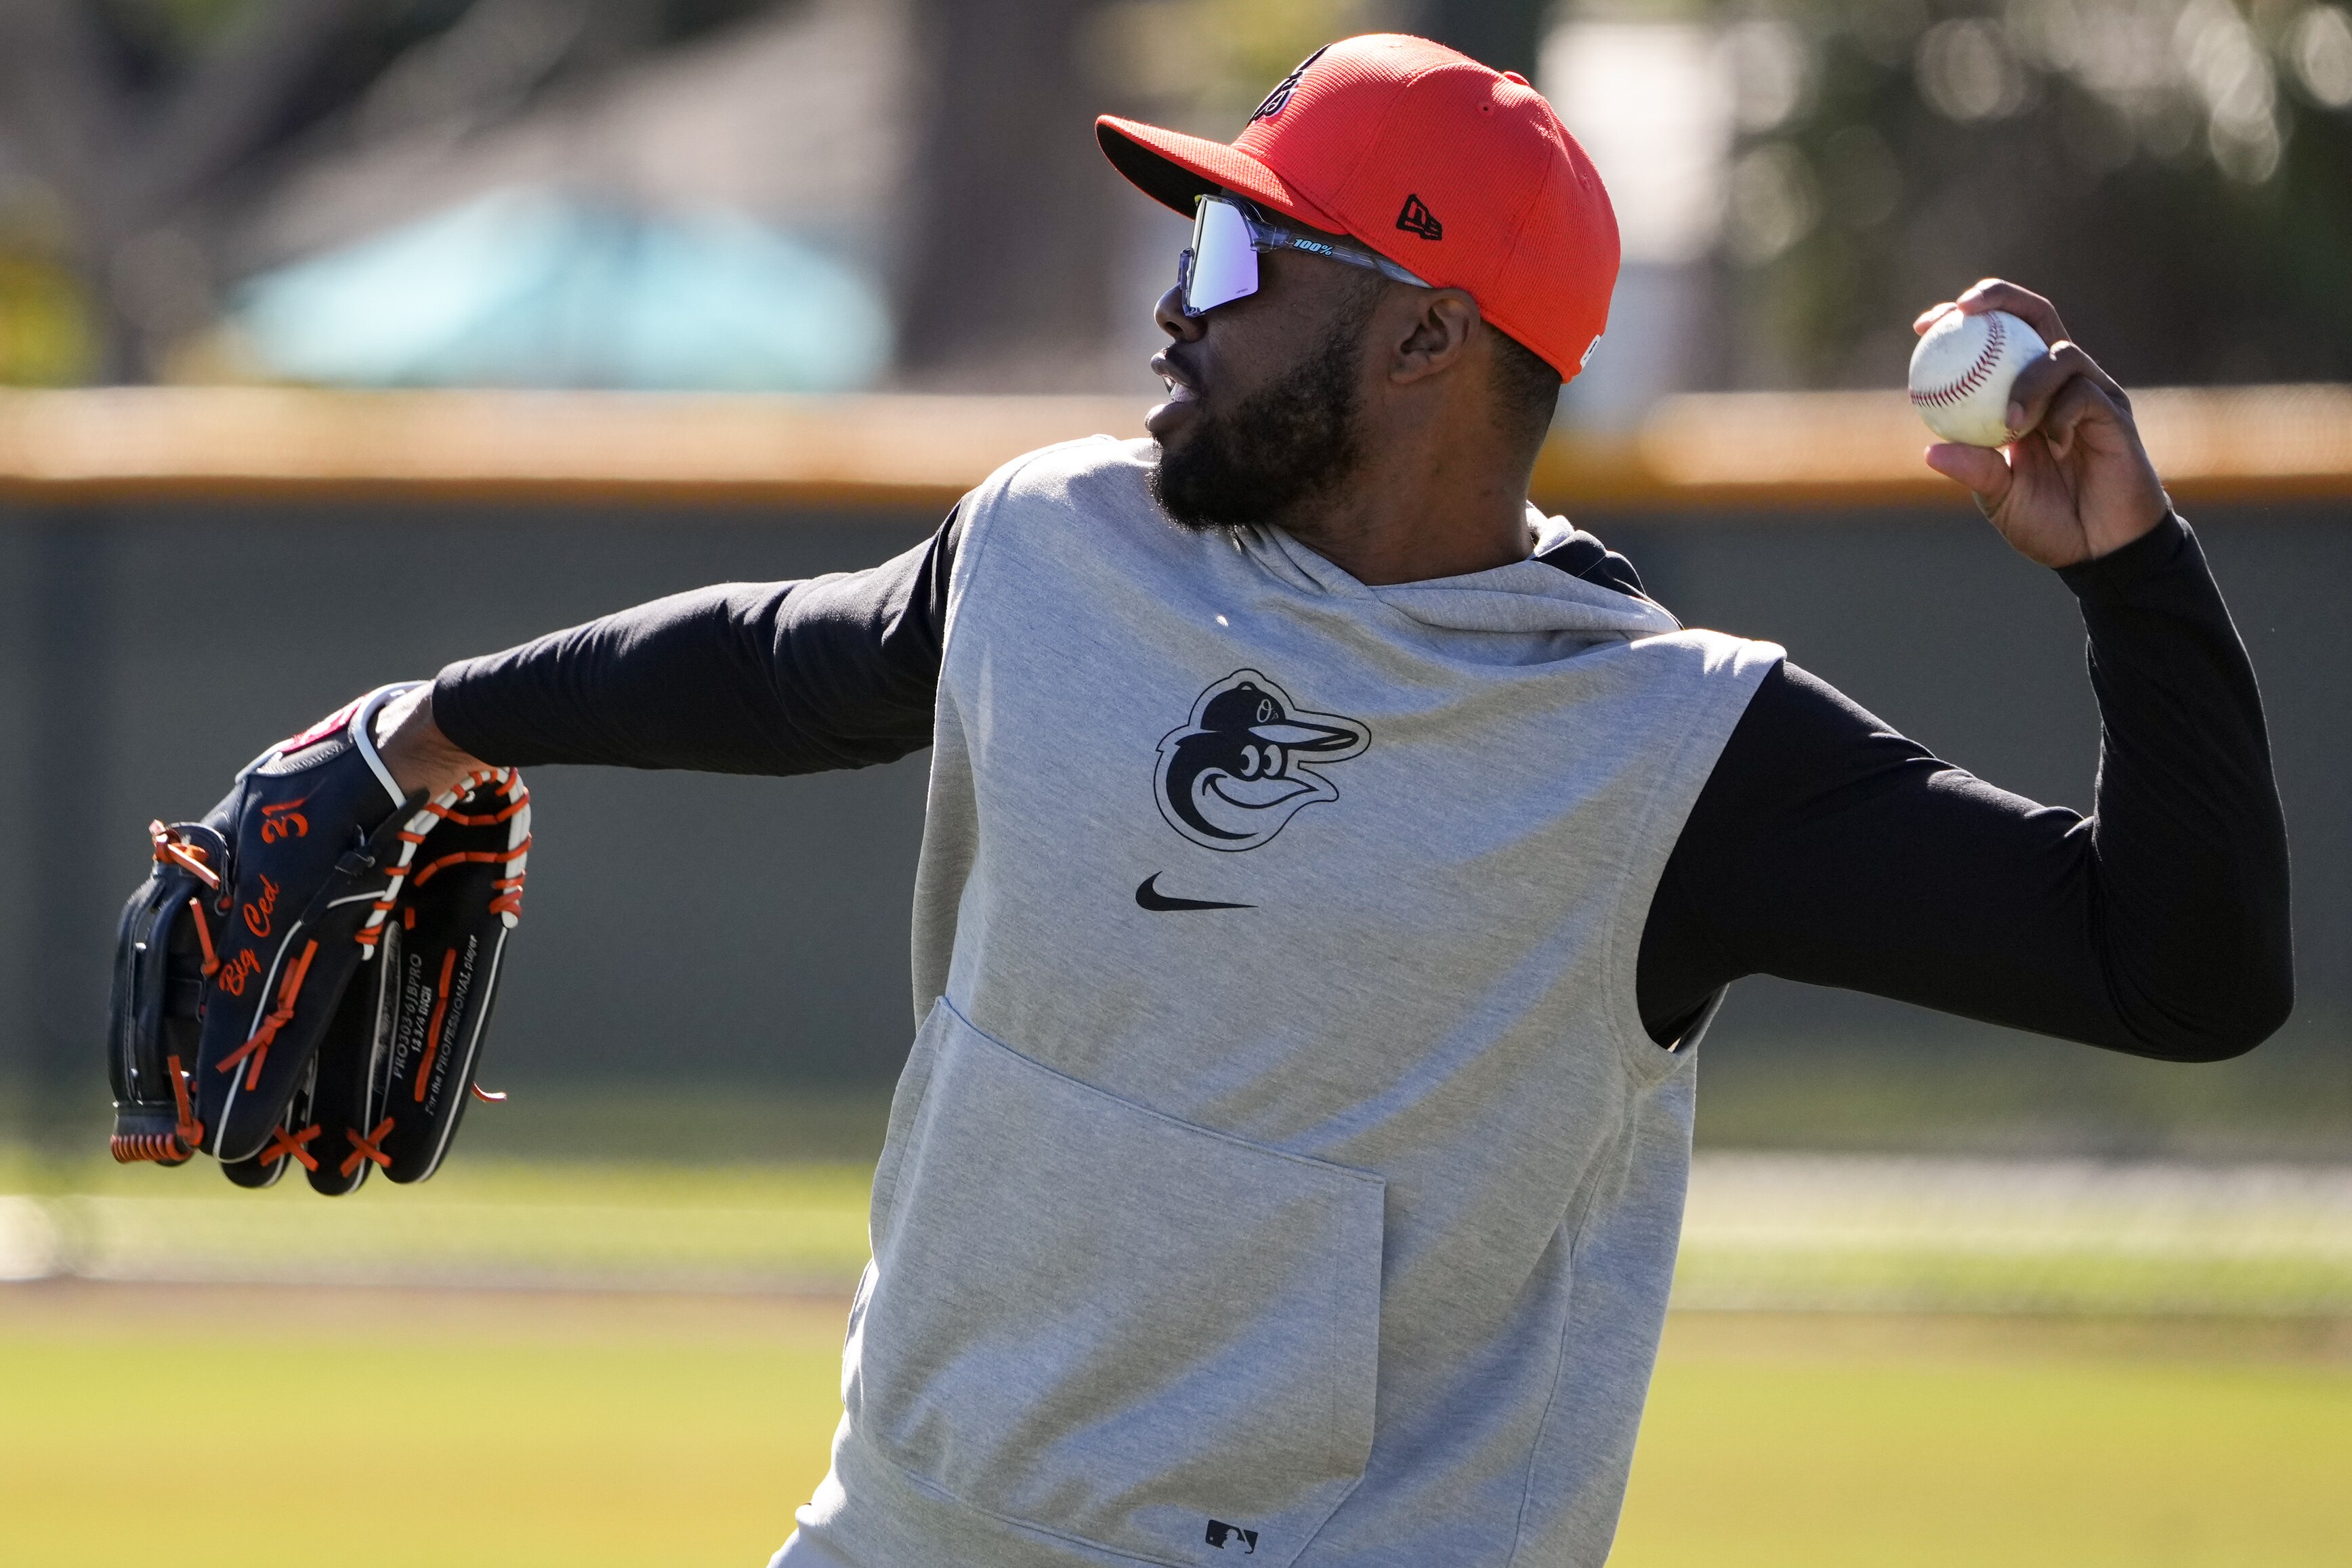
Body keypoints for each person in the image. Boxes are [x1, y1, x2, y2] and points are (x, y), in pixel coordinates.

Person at [374, 34, 2290, 1568]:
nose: (1173, 311)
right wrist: (431, 726)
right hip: (900, 1533)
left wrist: (2132, 572)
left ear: (1428, 338)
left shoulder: (1668, 750)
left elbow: (2181, 975)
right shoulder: (1059, 544)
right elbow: (779, 661)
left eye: (1230, 256)